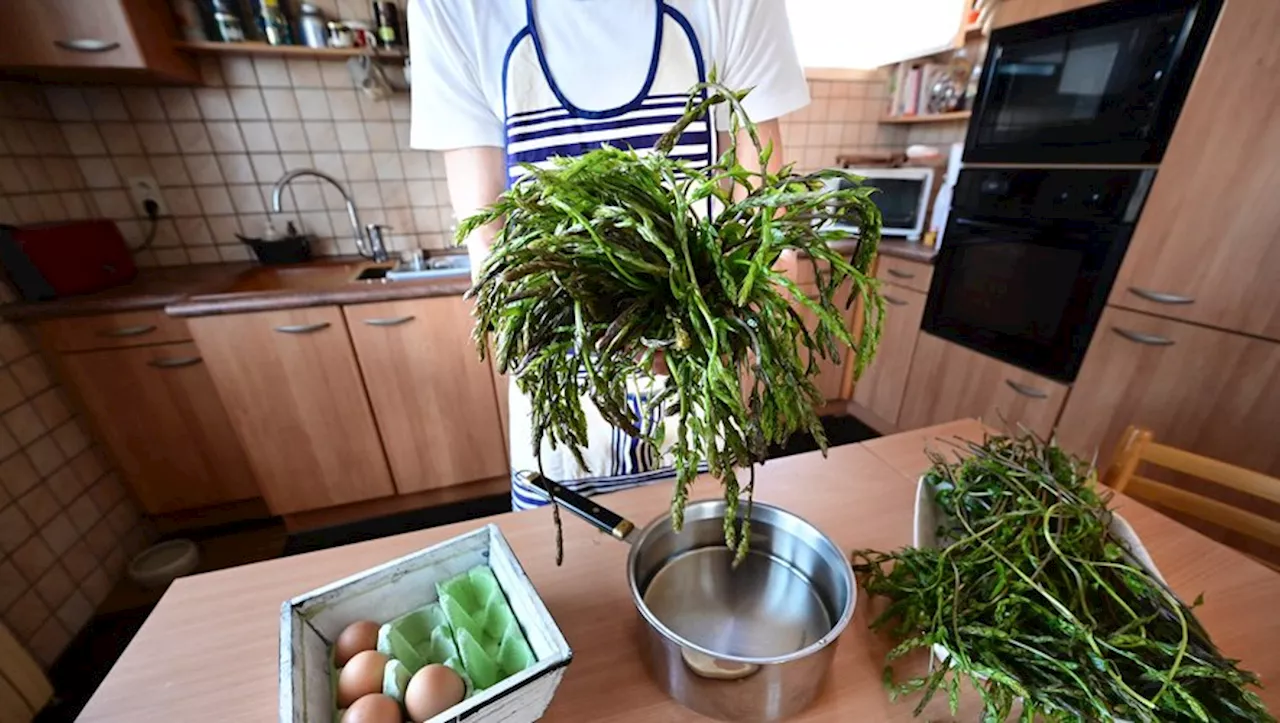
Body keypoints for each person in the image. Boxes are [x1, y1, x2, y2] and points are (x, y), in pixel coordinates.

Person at [408, 0, 810, 510]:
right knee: (568, 570)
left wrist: (744, 327)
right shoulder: (452, 6)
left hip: (702, 360)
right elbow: (489, 236)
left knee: (705, 544)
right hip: (563, 372)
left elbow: (762, 216)